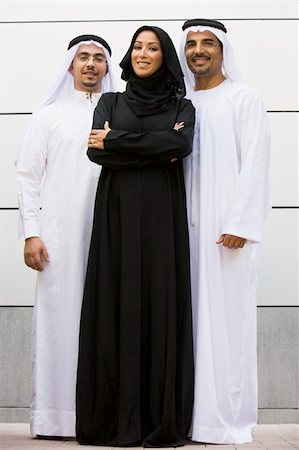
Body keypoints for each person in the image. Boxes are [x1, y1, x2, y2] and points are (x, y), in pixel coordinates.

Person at [76, 25, 195, 447]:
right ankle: (114, 419)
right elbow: (95, 151)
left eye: (153, 48)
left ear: (165, 57)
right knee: (116, 298)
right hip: (117, 215)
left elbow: (180, 148)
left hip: (162, 218)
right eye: (137, 47)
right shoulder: (110, 101)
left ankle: (155, 419)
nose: (143, 54)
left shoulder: (183, 105)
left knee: (157, 300)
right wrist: (152, 148)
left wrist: (118, 142)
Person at [15, 34, 117, 438]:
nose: (90, 64)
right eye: (83, 58)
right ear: (71, 66)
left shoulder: (120, 114)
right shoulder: (49, 115)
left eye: (98, 58)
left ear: (108, 67)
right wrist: (31, 233)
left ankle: (105, 417)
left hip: (111, 234)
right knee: (60, 323)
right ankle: (56, 418)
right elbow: (27, 176)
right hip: (57, 238)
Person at [179, 19, 271, 445]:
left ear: (222, 50)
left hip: (228, 234)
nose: (199, 50)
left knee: (227, 326)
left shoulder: (243, 98)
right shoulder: (181, 104)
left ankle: (226, 421)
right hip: (186, 232)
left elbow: (256, 162)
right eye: (192, 44)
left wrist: (240, 224)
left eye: (208, 43)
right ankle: (190, 418)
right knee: (190, 324)